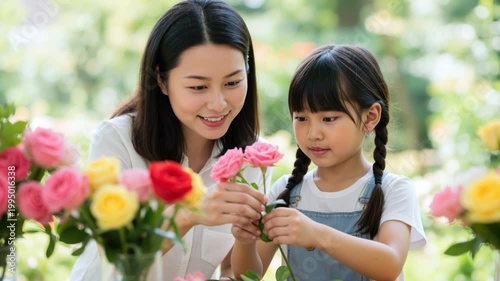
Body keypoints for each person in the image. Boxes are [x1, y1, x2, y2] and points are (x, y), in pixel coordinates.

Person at [70, 0, 269, 280]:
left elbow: (231, 269)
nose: (218, 103)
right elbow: (115, 257)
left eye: (233, 83)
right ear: (161, 81)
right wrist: (188, 215)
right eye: (198, 87)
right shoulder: (117, 140)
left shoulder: (252, 159)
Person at [231, 44, 427, 281]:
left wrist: (316, 234)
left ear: (370, 117)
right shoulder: (287, 192)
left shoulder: (393, 189)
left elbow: (390, 264)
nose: (313, 133)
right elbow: (247, 276)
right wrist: (244, 242)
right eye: (301, 118)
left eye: (329, 118)